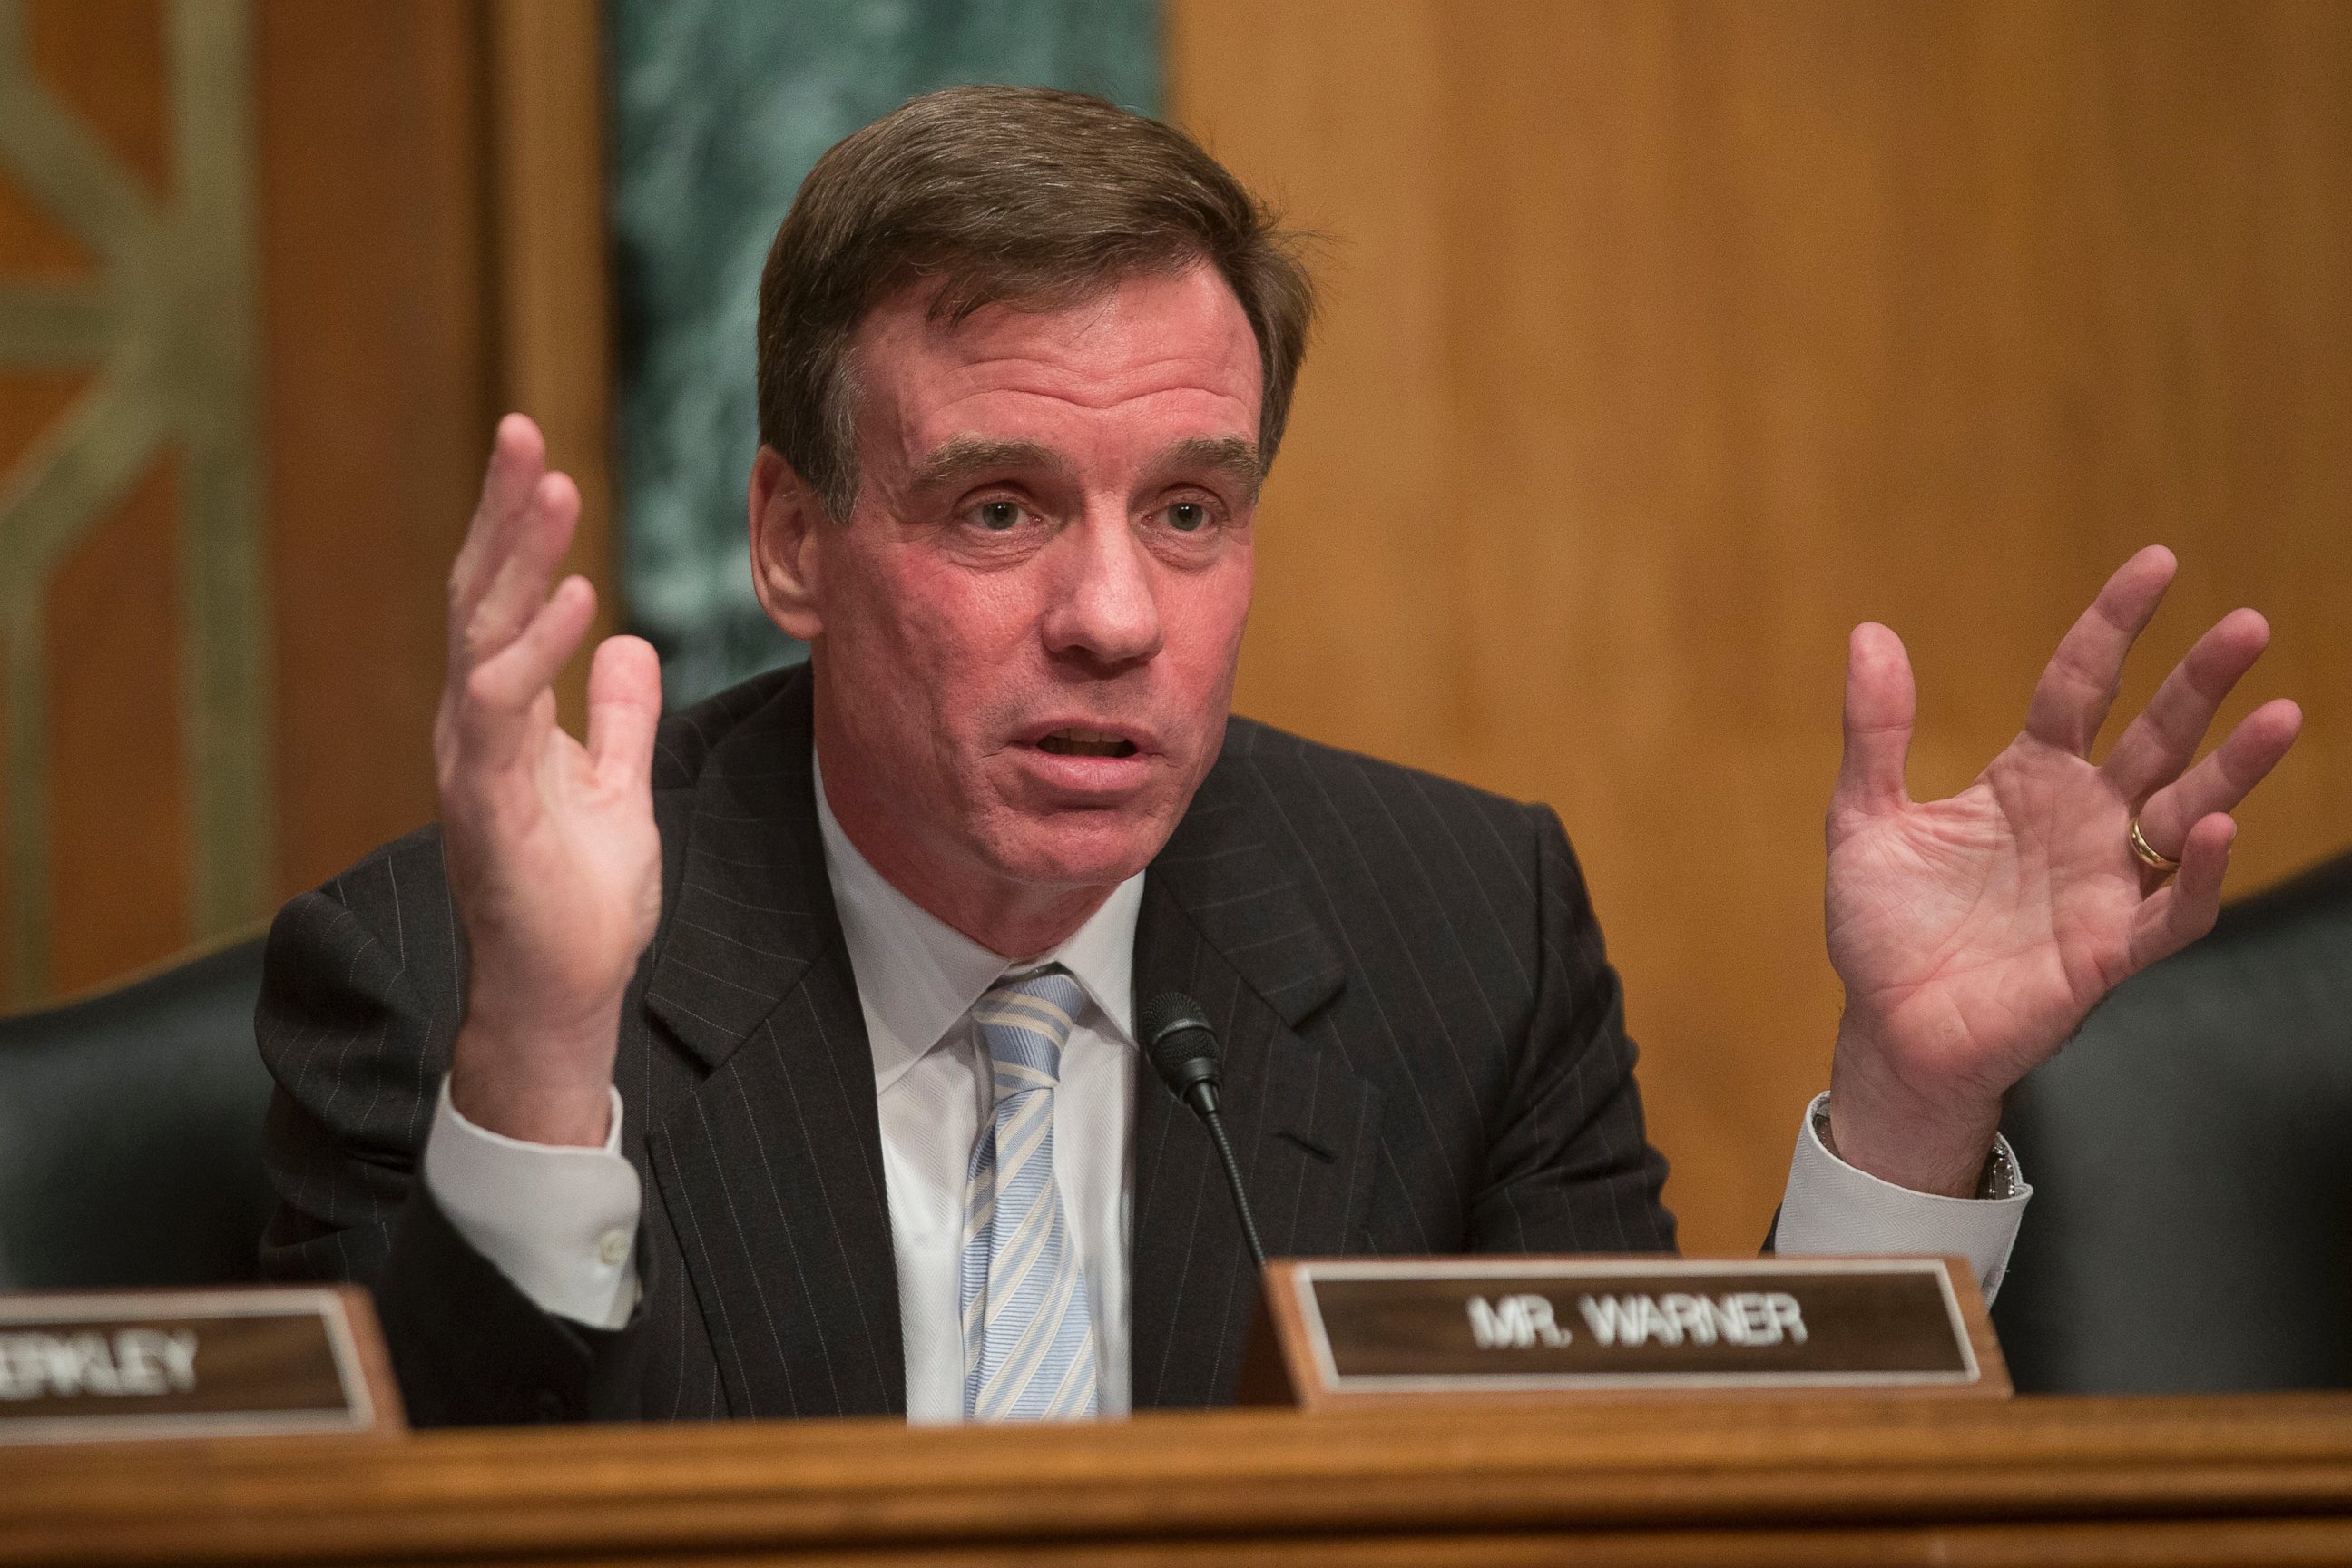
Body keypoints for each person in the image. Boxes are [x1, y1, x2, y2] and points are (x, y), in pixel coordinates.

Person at [257, 87, 2301, 1426]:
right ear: (795, 541)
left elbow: (1682, 1539)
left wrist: (1908, 1108)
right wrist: (538, 1066)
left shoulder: (1455, 939)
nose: (1114, 616)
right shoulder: (454, 986)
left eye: (1191, 509)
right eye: (997, 509)